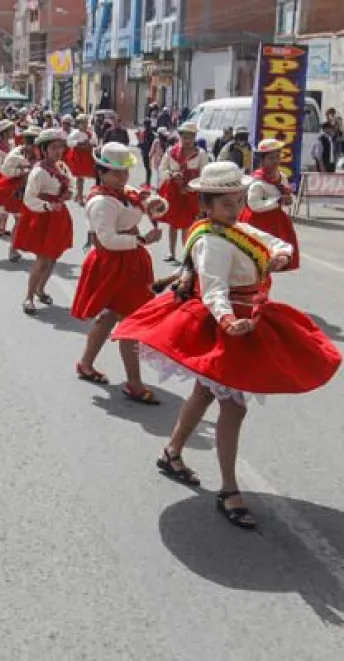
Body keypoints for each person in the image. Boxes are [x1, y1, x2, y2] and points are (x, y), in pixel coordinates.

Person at [113, 162, 341, 529]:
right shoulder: (210, 241)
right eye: (226, 204)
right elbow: (214, 288)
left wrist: (279, 254)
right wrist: (227, 320)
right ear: (206, 205)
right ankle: (229, 488)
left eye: (237, 202)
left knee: (205, 393)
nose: (234, 210)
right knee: (233, 409)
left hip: (246, 317)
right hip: (229, 324)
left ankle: (172, 452)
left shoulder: (235, 229)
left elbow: (271, 241)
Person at [71, 143, 168, 402]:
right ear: (101, 172)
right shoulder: (102, 201)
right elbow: (107, 240)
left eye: (124, 172)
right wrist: (142, 240)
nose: (122, 177)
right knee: (130, 319)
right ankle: (134, 382)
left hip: (128, 262)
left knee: (112, 316)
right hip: (113, 263)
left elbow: (144, 198)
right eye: (116, 173)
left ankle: (86, 363)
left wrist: (154, 202)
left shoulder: (121, 192)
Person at [13, 128, 74, 315]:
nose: (58, 151)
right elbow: (29, 199)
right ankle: (28, 297)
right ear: (44, 149)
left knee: (53, 258)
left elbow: (68, 185)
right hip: (44, 217)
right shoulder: (38, 172)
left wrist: (67, 194)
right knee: (42, 259)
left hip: (58, 216)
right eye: (54, 148)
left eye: (61, 147)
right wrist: (48, 205)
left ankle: (41, 289)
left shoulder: (61, 167)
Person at [239, 139, 300, 271]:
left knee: (274, 255)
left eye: (277, 157)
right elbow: (254, 204)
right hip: (258, 221)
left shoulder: (281, 176)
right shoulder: (257, 181)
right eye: (271, 158)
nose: (275, 161)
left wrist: (288, 200)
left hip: (276, 220)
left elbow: (285, 192)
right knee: (256, 255)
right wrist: (277, 201)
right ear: (262, 160)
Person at [158, 122, 210, 262]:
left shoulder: (201, 154)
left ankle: (186, 253)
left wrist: (192, 187)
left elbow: (204, 175)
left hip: (191, 193)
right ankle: (171, 253)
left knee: (188, 224)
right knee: (173, 223)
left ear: (195, 137)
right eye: (184, 137)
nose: (187, 140)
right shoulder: (171, 152)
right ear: (180, 136)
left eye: (190, 137)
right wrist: (171, 174)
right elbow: (162, 170)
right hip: (174, 192)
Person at [65, 115, 97, 204]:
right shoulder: (75, 133)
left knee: (91, 175)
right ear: (78, 124)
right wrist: (79, 144)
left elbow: (94, 142)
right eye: (82, 123)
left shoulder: (90, 132)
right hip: (78, 157)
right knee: (80, 177)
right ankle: (80, 197)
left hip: (87, 156)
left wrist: (90, 144)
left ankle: (80, 195)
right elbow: (69, 142)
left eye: (86, 122)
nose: (85, 124)